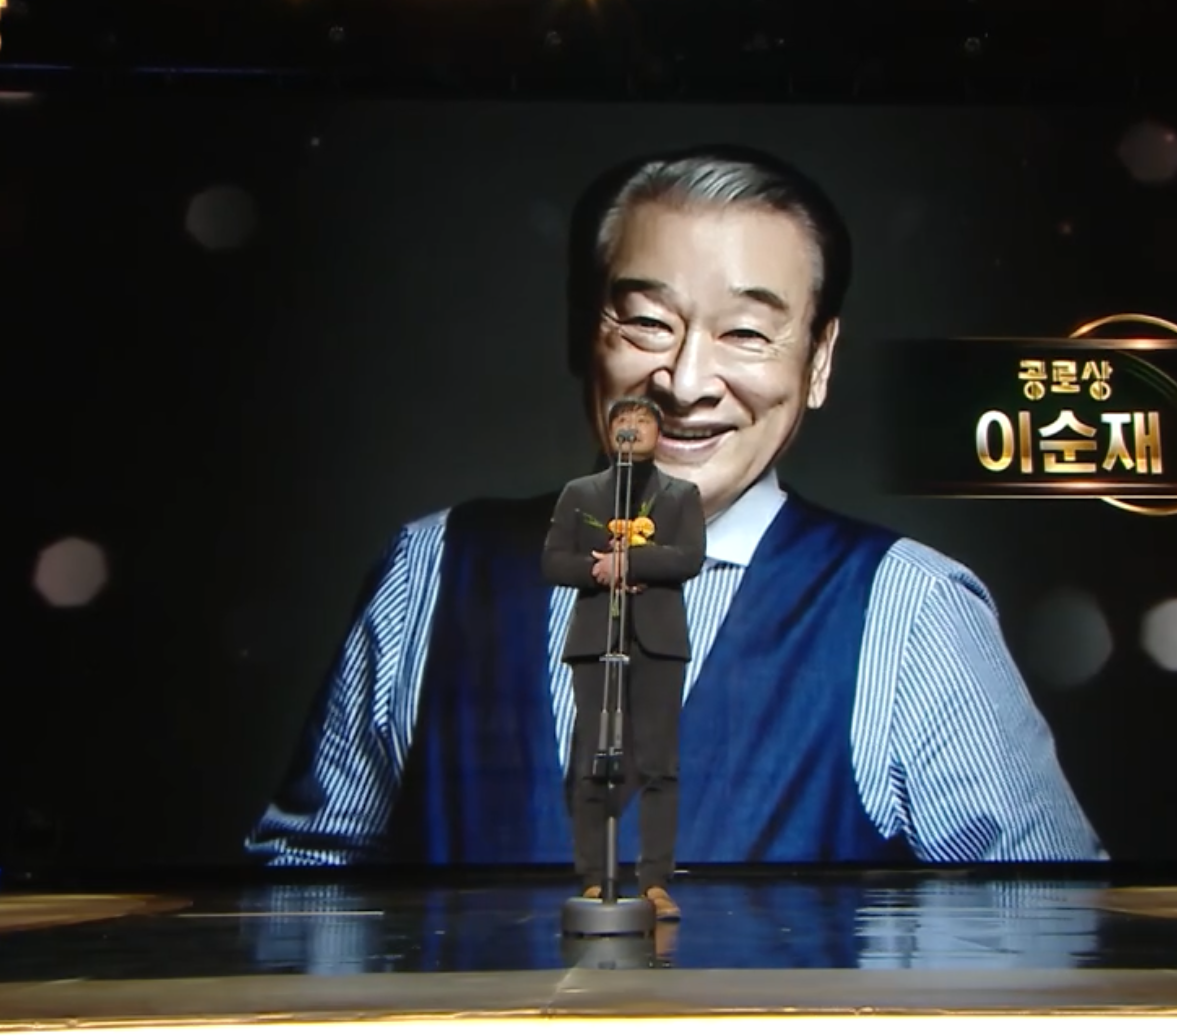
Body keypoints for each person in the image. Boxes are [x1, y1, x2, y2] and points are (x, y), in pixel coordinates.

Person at [248, 145, 1102, 873]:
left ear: (818, 361)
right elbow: (304, 890)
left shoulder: (911, 610)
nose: (687, 383)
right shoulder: (433, 570)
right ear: (582, 333)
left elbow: (1040, 935)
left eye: (746, 333)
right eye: (647, 323)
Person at [542, 396, 706, 919]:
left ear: (659, 434)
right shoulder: (581, 493)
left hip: (659, 641)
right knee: (594, 760)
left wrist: (628, 562)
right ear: (608, 432)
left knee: (659, 764)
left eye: (641, 421)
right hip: (596, 640)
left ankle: (655, 882)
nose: (630, 428)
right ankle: (594, 877)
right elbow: (553, 561)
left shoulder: (681, 495)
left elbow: (689, 557)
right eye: (621, 421)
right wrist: (598, 572)